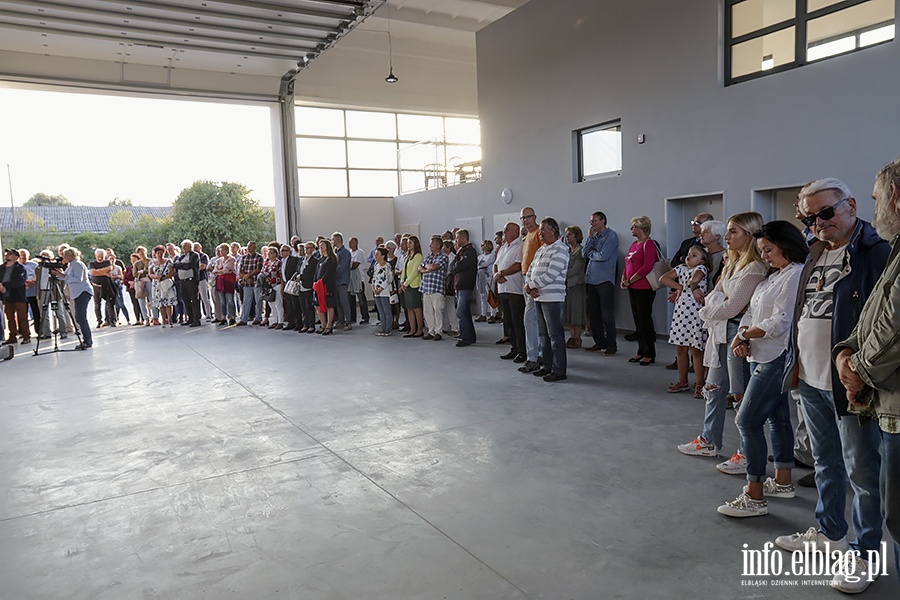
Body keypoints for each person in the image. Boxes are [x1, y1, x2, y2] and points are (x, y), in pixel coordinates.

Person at [771, 178, 889, 593]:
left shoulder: (876, 253)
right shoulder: (816, 252)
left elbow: (883, 324)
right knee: (825, 463)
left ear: (851, 205)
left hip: (850, 383)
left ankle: (865, 553)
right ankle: (830, 531)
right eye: (809, 217)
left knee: (862, 472)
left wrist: (861, 372)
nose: (818, 223)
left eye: (826, 213)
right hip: (811, 378)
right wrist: (797, 364)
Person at [834, 158, 900, 584]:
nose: (876, 212)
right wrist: (846, 352)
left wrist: (857, 366)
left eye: (876, 200)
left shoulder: (877, 248)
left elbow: (894, 325)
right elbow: (873, 313)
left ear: (895, 196)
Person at [717, 220, 808, 517]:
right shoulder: (773, 276)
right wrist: (742, 336)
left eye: (768, 249)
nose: (765, 256)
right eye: (761, 251)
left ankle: (754, 494)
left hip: (776, 356)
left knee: (747, 421)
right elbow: (751, 313)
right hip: (760, 353)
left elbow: (780, 322)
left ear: (786, 245)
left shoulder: (794, 275)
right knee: (778, 418)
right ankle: (782, 480)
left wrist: (744, 335)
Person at [677, 212, 767, 475]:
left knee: (739, 394)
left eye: (733, 232)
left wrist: (711, 305)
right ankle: (709, 440)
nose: (726, 237)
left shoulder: (755, 268)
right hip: (719, 332)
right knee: (713, 388)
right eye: (726, 231)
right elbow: (715, 296)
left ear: (749, 235)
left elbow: (732, 307)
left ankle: (745, 451)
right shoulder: (731, 264)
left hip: (736, 333)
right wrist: (714, 303)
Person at [659, 245, 710, 397]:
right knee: (681, 348)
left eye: (694, 255)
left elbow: (695, 281)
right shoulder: (681, 268)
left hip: (695, 313)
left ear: (701, 259)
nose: (689, 257)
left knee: (696, 350)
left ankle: (700, 383)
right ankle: (682, 380)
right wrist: (681, 288)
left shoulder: (700, 268)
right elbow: (664, 278)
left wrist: (690, 287)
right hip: (681, 313)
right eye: (689, 254)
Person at [524, 217, 569, 382]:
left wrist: (532, 285)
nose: (540, 233)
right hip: (538, 296)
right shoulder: (541, 249)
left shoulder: (561, 249)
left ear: (553, 230)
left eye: (543, 229)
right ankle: (547, 366)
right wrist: (528, 285)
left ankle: (559, 370)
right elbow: (530, 270)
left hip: (552, 297)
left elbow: (552, 274)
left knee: (555, 335)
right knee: (543, 334)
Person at [621, 215, 659, 366]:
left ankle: (650, 352)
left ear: (643, 228)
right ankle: (640, 350)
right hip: (632, 286)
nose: (631, 229)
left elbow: (647, 267)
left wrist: (631, 280)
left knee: (645, 320)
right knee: (637, 320)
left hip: (644, 287)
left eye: (634, 227)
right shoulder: (634, 244)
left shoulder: (649, 244)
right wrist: (624, 278)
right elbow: (627, 263)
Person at [582, 211, 618, 355]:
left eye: (595, 221)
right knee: (593, 313)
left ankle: (611, 345)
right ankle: (599, 342)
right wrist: (590, 238)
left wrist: (591, 253)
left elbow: (603, 256)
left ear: (603, 221)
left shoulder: (611, 236)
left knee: (606, 314)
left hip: (604, 280)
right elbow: (583, 253)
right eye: (591, 222)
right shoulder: (594, 237)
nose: (593, 224)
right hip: (591, 280)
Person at [495, 222, 525, 363]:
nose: (504, 232)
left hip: (515, 290)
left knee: (517, 322)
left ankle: (522, 350)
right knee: (508, 322)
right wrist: (497, 275)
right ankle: (513, 348)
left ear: (515, 232)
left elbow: (518, 265)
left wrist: (501, 273)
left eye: (507, 230)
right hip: (502, 289)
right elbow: (496, 264)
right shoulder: (502, 247)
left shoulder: (520, 246)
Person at [519, 207, 543, 371]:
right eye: (523, 218)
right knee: (534, 320)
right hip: (526, 278)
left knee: (530, 319)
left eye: (528, 217)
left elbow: (542, 259)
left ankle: (533, 357)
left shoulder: (539, 233)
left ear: (535, 217)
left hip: (535, 281)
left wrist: (534, 284)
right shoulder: (527, 235)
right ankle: (540, 354)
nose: (526, 220)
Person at [55, 247, 93, 350]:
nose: (64, 257)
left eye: (65, 255)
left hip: (82, 292)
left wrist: (61, 275)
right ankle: (86, 339)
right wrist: (58, 274)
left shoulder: (77, 264)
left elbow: (78, 278)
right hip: (76, 293)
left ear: (72, 255)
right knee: (78, 317)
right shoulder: (71, 265)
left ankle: (87, 340)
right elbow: (64, 276)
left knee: (81, 317)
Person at [450, 229, 478, 347]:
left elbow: (460, 266)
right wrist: (456, 266)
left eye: (457, 238)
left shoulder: (470, 252)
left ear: (463, 238)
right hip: (459, 285)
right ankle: (468, 335)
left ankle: (465, 337)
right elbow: (452, 266)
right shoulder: (460, 252)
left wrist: (456, 266)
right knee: (465, 312)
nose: (456, 241)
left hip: (466, 285)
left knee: (461, 312)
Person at [419, 235, 449, 340]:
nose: (430, 245)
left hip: (437, 288)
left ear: (438, 245)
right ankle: (431, 331)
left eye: (432, 243)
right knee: (427, 311)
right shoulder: (428, 256)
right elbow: (420, 268)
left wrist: (427, 267)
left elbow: (435, 267)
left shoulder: (444, 257)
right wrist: (428, 268)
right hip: (426, 288)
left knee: (438, 311)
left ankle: (438, 332)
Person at [564, 225, 586, 349]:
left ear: (576, 236)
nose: (567, 237)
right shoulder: (567, 250)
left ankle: (577, 337)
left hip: (576, 284)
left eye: (570, 235)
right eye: (566, 235)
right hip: (567, 285)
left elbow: (576, 269)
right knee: (570, 312)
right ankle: (572, 336)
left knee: (576, 311)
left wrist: (561, 273)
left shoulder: (580, 251)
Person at [0, 248, 29, 344]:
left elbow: (20, 281)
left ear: (16, 257)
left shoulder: (20, 268)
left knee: (22, 316)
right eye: (7, 254)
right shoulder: (1, 267)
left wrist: (6, 287)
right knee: (9, 317)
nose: (7, 255)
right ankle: (12, 336)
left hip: (18, 295)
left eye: (10, 254)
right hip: (6, 296)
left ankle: (26, 335)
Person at [400, 235, 424, 338]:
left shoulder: (418, 256)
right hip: (406, 286)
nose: (408, 245)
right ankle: (412, 329)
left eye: (410, 243)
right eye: (408, 243)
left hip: (413, 285)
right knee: (409, 308)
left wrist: (406, 283)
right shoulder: (407, 256)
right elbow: (403, 270)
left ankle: (419, 329)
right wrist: (402, 282)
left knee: (416, 308)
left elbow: (415, 272)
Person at [173, 240, 201, 327]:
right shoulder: (181, 257)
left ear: (190, 247)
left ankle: (197, 319)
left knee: (194, 300)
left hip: (191, 280)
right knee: (186, 300)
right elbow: (175, 265)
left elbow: (190, 265)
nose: (184, 248)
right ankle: (190, 318)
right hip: (182, 281)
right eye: (183, 247)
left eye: (185, 246)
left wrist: (182, 265)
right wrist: (183, 264)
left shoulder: (194, 255)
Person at [149, 245, 177, 328]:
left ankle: (170, 320)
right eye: (158, 253)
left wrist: (164, 277)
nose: (159, 255)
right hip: (157, 284)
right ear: (155, 254)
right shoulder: (152, 262)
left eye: (161, 253)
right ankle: (163, 320)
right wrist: (157, 277)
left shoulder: (168, 261)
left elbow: (173, 272)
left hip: (167, 283)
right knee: (160, 303)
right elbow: (150, 273)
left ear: (164, 253)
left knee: (168, 302)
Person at [315, 238, 337, 335]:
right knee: (318, 305)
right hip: (318, 286)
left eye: (322, 245)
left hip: (327, 285)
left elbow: (329, 273)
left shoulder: (331, 259)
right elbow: (316, 272)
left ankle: (329, 325)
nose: (321, 247)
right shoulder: (320, 259)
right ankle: (323, 324)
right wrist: (315, 282)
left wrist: (322, 281)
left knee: (329, 305)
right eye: (320, 246)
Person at [237, 241, 263, 326]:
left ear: (255, 247)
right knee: (246, 301)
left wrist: (249, 275)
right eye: (248, 246)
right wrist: (245, 277)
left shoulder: (259, 257)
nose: (249, 248)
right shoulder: (244, 257)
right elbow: (241, 269)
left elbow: (258, 269)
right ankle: (244, 319)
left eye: (251, 246)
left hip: (256, 282)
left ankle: (258, 318)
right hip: (247, 283)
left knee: (258, 301)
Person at [296, 241, 319, 333]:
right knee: (303, 306)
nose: (306, 250)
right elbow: (297, 269)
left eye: (309, 248)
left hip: (308, 285)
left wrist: (303, 277)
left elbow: (314, 274)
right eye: (305, 248)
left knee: (309, 306)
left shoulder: (315, 261)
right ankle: (305, 324)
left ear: (313, 249)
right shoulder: (301, 259)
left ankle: (311, 325)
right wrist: (298, 276)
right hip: (300, 285)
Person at [332, 232, 352, 330]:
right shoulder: (335, 252)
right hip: (335, 281)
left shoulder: (346, 253)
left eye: (333, 239)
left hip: (342, 280)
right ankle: (341, 320)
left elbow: (342, 267)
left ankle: (348, 322)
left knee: (344, 302)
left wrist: (332, 272)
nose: (332, 242)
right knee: (338, 302)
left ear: (337, 240)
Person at [371, 247, 394, 337]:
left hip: (384, 291)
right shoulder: (376, 265)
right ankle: (383, 329)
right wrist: (373, 288)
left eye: (377, 254)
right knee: (381, 311)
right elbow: (374, 278)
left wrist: (381, 288)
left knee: (387, 311)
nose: (375, 256)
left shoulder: (387, 266)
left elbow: (388, 279)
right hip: (377, 292)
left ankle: (388, 329)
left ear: (383, 256)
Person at [212, 243, 237, 326]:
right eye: (220, 250)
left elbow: (225, 270)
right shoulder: (218, 260)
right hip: (220, 281)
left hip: (229, 281)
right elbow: (214, 270)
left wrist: (219, 271)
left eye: (223, 250)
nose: (221, 252)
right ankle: (223, 317)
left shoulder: (231, 259)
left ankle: (232, 317)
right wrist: (219, 271)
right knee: (222, 301)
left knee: (230, 300)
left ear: (227, 250)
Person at [347, 236, 369, 325]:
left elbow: (354, 265)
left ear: (356, 243)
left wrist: (347, 266)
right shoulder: (349, 253)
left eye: (351, 242)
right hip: (351, 279)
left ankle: (365, 317)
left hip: (359, 279)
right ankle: (352, 317)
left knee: (361, 299)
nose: (349, 244)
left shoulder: (359, 253)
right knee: (350, 299)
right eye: (349, 242)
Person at [18, 249, 40, 338]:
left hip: (33, 292)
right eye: (21, 255)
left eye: (25, 255)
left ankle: (39, 331)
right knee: (22, 313)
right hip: (21, 293)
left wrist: (33, 281)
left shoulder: (34, 265)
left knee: (36, 312)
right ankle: (24, 332)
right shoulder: (16, 266)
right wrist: (25, 282)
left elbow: (38, 274)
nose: (23, 257)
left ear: (29, 256)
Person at [261, 245, 284, 329]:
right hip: (268, 286)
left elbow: (281, 275)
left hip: (277, 284)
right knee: (271, 304)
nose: (269, 255)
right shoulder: (266, 263)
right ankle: (275, 321)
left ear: (275, 254)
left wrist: (282, 286)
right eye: (268, 253)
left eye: (271, 253)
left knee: (278, 303)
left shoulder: (279, 263)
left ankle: (280, 321)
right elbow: (262, 272)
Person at [476, 240, 496, 322]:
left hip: (489, 278)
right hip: (481, 278)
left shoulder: (491, 256)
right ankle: (483, 314)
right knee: (482, 296)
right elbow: (478, 265)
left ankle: (493, 314)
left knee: (490, 295)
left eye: (483, 245)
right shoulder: (480, 257)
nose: (481, 246)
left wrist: (480, 265)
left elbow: (484, 264)